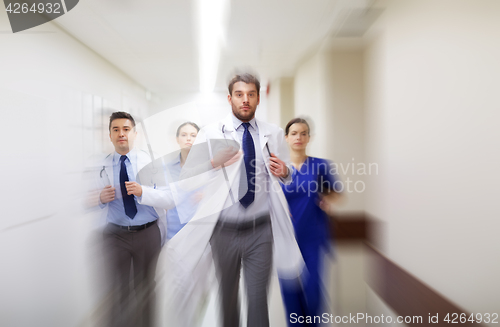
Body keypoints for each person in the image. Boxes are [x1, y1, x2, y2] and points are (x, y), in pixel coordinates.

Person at [163, 73, 304, 327]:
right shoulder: (210, 133)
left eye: (251, 94)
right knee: (227, 298)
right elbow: (188, 178)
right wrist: (212, 163)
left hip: (260, 231)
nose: (245, 100)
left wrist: (285, 172)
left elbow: (288, 175)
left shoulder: (273, 134)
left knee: (258, 298)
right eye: (239, 95)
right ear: (230, 98)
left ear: (258, 98)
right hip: (223, 232)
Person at [96, 111, 173, 327]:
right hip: (114, 235)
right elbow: (89, 197)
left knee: (146, 287)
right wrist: (101, 198)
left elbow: (169, 198)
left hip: (147, 233)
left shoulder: (152, 163)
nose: (121, 134)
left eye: (126, 129)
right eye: (116, 130)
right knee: (117, 290)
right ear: (110, 135)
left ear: (134, 133)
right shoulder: (101, 165)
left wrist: (142, 192)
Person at [279, 118, 341, 327]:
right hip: (286, 240)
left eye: (303, 133)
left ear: (309, 138)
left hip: (313, 238)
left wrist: (327, 199)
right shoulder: (277, 168)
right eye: (294, 133)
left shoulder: (320, 166)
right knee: (291, 296)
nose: (299, 137)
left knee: (313, 292)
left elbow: (337, 194)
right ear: (286, 138)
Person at [164, 122, 201, 239]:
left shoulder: (209, 167)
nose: (188, 139)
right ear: (177, 139)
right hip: (173, 231)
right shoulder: (168, 168)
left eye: (193, 135)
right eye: (184, 135)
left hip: (200, 231)